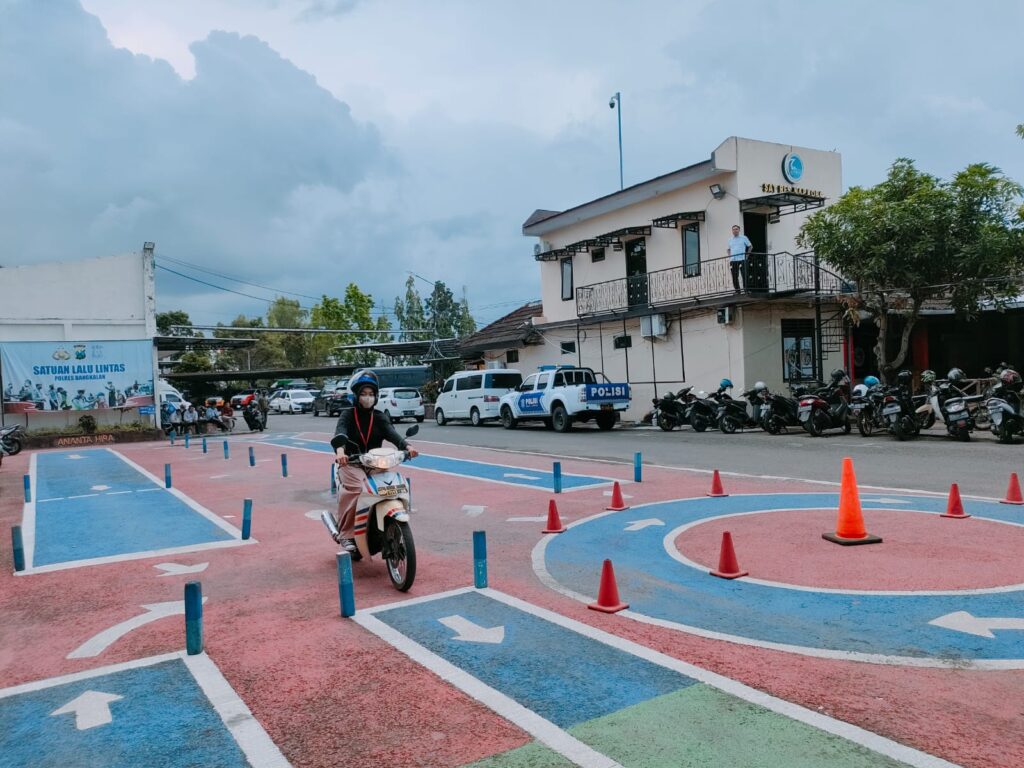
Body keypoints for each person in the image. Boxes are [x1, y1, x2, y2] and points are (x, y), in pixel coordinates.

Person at [328, 371, 418, 552]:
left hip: (375, 463)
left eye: (371, 394)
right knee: (358, 489)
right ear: (356, 396)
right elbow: (341, 433)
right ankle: (346, 535)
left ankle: (380, 523)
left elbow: (392, 434)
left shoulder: (379, 416)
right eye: (363, 394)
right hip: (351, 463)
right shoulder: (347, 415)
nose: (367, 398)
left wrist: (407, 447)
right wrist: (340, 451)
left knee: (390, 487)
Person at [726, 224, 752, 292]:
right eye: (733, 229)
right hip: (733, 260)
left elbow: (750, 246)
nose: (735, 231)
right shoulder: (730, 240)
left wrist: (747, 256)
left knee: (745, 275)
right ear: (732, 231)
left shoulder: (744, 238)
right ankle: (737, 291)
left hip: (742, 259)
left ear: (739, 230)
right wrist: (730, 256)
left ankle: (746, 290)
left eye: (736, 229)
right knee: (734, 276)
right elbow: (728, 249)